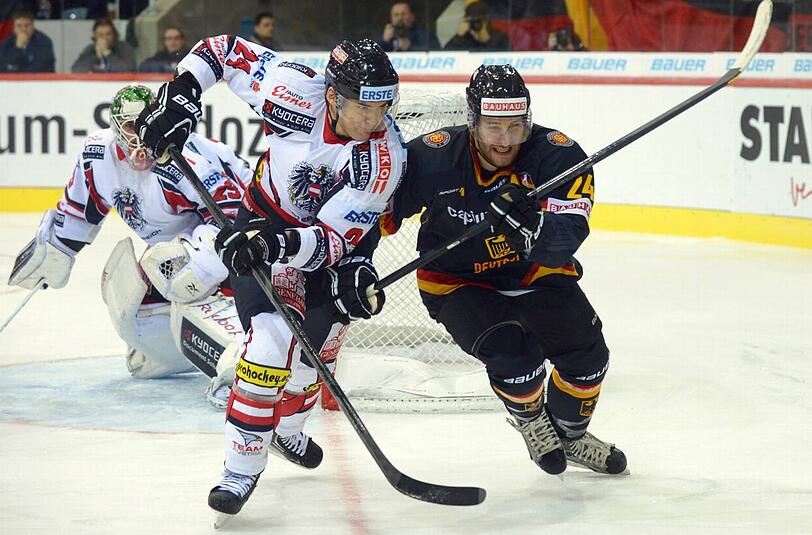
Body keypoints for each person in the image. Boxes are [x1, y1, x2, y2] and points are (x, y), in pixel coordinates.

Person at [134, 36, 406, 517]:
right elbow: (221, 51)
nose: (374, 120)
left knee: (315, 356)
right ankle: (240, 469)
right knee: (270, 342)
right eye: (363, 107)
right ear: (332, 95)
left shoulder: (384, 158)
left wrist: (275, 245)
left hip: (333, 251)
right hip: (262, 222)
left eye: (382, 107)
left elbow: (332, 241)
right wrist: (182, 94)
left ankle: (289, 430)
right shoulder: (291, 89)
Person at [377, 64, 627, 477]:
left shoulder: (558, 155)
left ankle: (570, 435)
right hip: (457, 282)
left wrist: (534, 228)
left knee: (589, 358)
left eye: (515, 126)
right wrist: (350, 263)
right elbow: (373, 218)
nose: (505, 140)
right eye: (493, 126)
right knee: (516, 357)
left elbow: (565, 240)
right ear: (472, 120)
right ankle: (532, 420)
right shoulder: (432, 157)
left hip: (534, 273)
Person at [8, 84, 253, 386]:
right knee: (137, 308)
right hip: (178, 248)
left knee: (177, 272)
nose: (140, 135)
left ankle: (246, 358)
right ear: (115, 127)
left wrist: (203, 266)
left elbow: (238, 221)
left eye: (146, 123)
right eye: (130, 126)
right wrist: (55, 249)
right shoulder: (98, 156)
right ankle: (172, 352)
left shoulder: (184, 159)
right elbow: (78, 213)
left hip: (249, 251)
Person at [71, 18, 136, 73]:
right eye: (101, 35)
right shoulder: (90, 49)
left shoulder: (124, 47)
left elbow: (128, 69)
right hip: (96, 83)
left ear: (114, 34)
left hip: (118, 83)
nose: (105, 38)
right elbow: (76, 70)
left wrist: (107, 53)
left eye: (108, 34)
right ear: (95, 37)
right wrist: (96, 56)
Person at [444, 1, 509, 51]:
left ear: (485, 21)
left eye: (477, 21)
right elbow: (446, 55)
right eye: (471, 21)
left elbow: (507, 57)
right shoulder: (465, 39)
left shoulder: (499, 38)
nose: (475, 24)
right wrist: (458, 36)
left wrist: (487, 40)